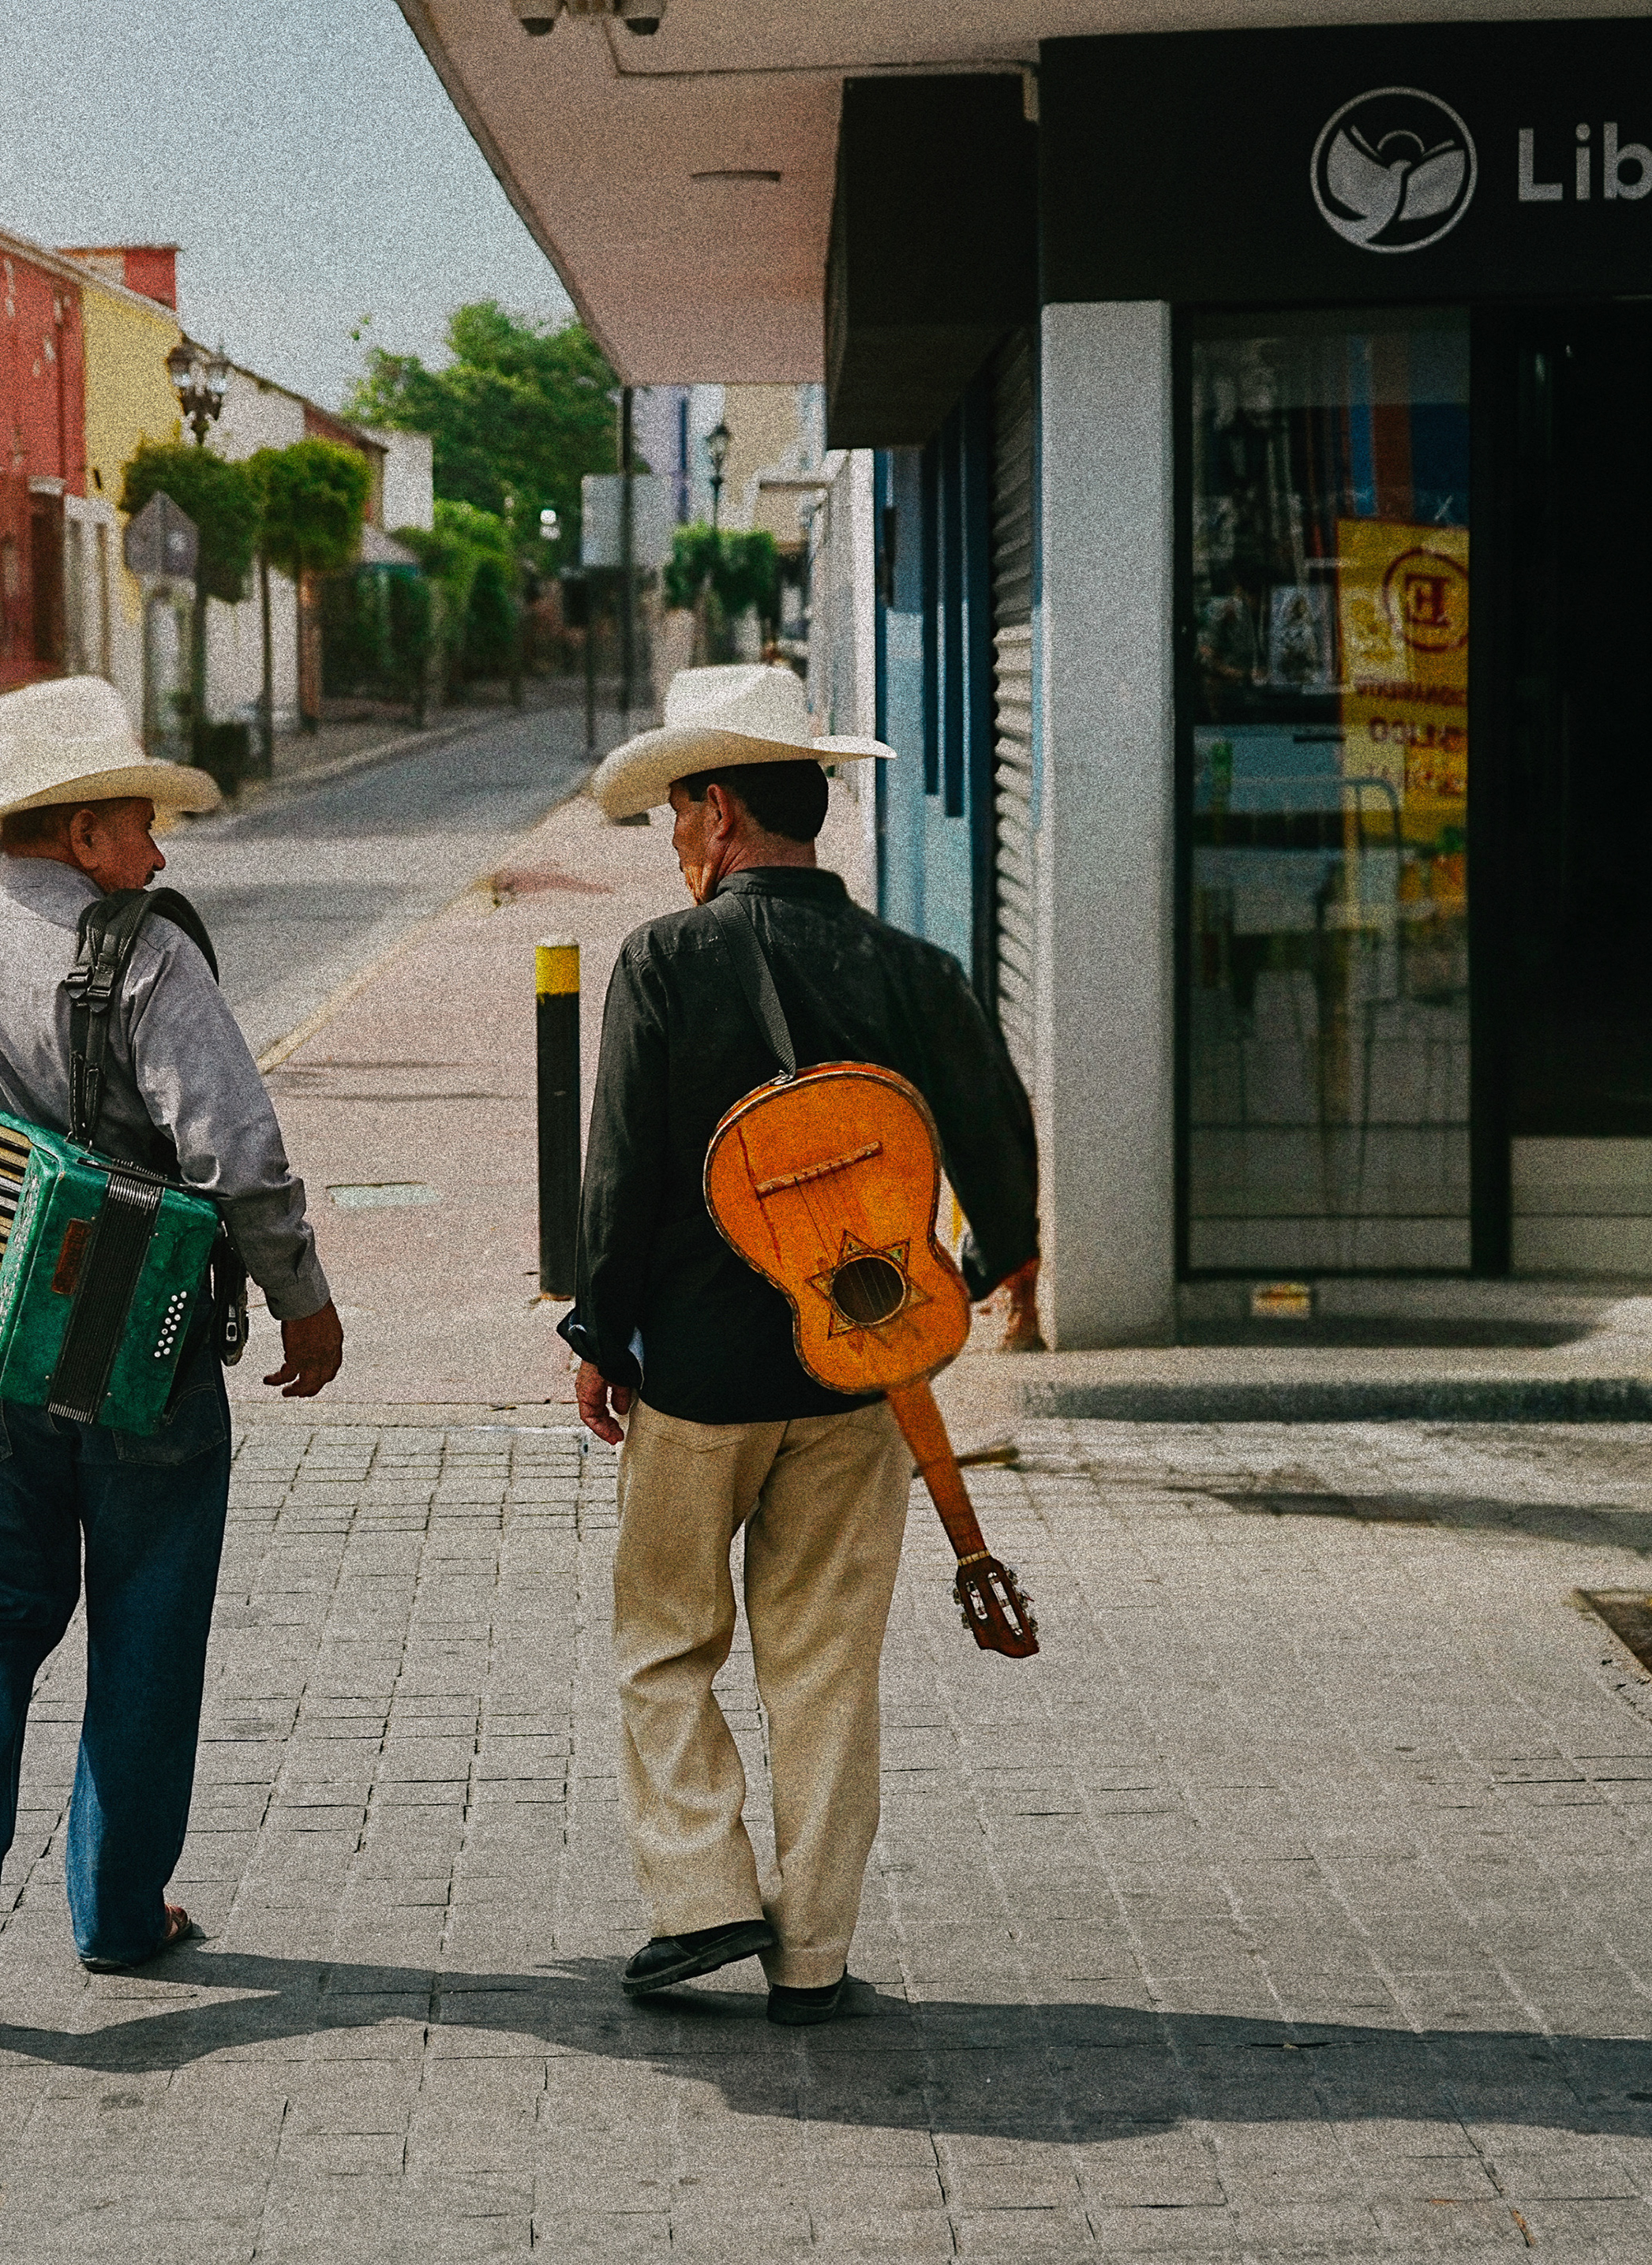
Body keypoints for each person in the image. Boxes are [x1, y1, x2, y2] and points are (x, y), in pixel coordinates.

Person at [0, 675, 344, 2017]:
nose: (158, 854)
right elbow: (237, 1144)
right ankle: (119, 1909)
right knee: (148, 1614)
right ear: (76, 832)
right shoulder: (147, 955)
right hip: (141, 1339)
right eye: (138, 824)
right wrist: (300, 1293)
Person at [559, 665, 1038, 2027]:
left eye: (675, 812)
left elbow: (626, 1169)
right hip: (861, 1376)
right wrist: (997, 1263)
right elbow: (998, 1135)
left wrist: (602, 1328)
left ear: (717, 809)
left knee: (665, 1636)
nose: (671, 840)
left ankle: (702, 1896)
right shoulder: (910, 967)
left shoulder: (666, 960)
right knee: (825, 1658)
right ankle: (813, 1952)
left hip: (700, 1379)